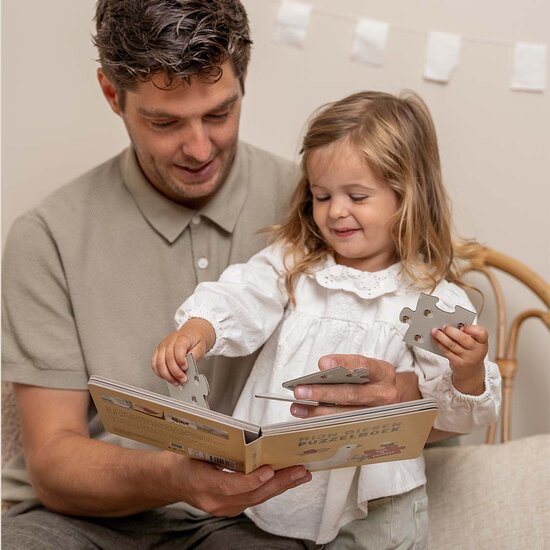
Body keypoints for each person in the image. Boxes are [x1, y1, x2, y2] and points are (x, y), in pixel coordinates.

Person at [2, 1, 425, 548]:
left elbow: (438, 404)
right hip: (81, 524)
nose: (199, 148)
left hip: (253, 523)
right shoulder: (48, 236)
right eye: (165, 122)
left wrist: (400, 395)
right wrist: (172, 476)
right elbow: (54, 464)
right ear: (113, 95)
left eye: (219, 114)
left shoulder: (327, 209)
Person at [152, 90, 502, 548]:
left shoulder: (427, 295)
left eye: (357, 195)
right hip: (284, 484)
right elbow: (243, 293)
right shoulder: (297, 264)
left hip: (379, 505)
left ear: (407, 197)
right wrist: (201, 328)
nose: (335, 211)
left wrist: (469, 369)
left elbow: (452, 411)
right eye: (322, 195)